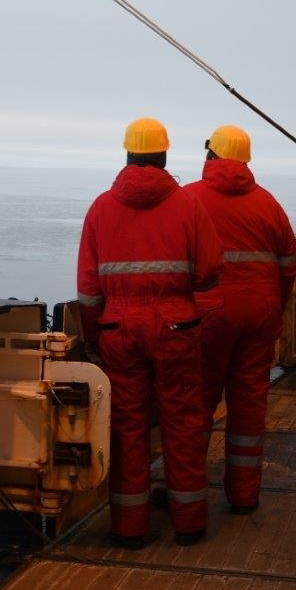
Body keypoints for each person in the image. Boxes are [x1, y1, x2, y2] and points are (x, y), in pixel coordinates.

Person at [76, 117, 223, 547]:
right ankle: (189, 523)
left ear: (127, 154)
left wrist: (95, 335)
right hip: (176, 326)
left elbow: (88, 289)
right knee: (183, 422)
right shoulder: (187, 205)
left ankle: (129, 527)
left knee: (127, 426)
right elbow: (210, 271)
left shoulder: (101, 207)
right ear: (164, 156)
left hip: (118, 330)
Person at [183, 125, 296, 514]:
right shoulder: (269, 204)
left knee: (197, 405)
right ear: (246, 160)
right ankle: (244, 496)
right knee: (249, 406)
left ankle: (189, 496)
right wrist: (275, 308)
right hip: (259, 316)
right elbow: (289, 266)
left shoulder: (188, 200)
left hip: (208, 316)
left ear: (210, 155)